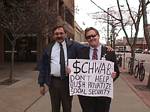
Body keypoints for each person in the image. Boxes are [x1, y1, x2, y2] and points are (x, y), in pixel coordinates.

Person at [38, 25, 81, 112]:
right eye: (56, 34)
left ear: (65, 34)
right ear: (53, 35)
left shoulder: (74, 46)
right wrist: (41, 84)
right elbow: (43, 66)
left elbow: (88, 50)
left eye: (61, 33)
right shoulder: (49, 48)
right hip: (53, 83)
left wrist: (105, 48)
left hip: (67, 82)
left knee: (67, 108)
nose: (59, 36)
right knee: (55, 108)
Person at [77, 27, 120, 112]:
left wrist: (114, 75)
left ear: (98, 36)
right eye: (88, 37)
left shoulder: (109, 52)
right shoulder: (81, 52)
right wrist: (70, 71)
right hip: (86, 96)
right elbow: (77, 69)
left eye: (93, 35)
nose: (91, 38)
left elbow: (117, 71)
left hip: (103, 96)